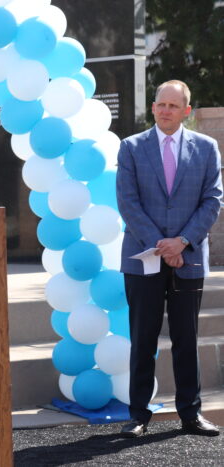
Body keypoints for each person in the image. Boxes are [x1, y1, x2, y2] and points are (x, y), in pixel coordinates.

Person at [116, 80, 223, 438]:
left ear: (186, 111)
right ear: (153, 107)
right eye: (160, 104)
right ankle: (138, 415)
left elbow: (213, 201)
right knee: (142, 338)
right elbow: (128, 203)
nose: (165, 111)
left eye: (173, 106)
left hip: (189, 259)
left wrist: (182, 242)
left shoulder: (207, 148)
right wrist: (163, 246)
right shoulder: (131, 148)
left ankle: (190, 415)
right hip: (142, 259)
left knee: (186, 339)